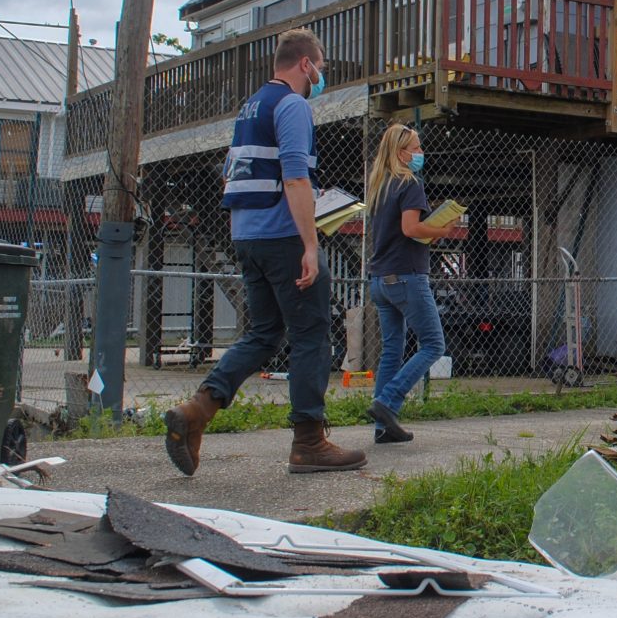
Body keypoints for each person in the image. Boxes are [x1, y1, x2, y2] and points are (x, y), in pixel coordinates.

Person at [163, 29, 365, 476]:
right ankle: (309, 442)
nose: (322, 76)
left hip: (247, 235)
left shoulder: (251, 106)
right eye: (322, 67)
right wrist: (310, 244)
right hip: (283, 237)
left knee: (265, 333)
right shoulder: (292, 105)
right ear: (305, 64)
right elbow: (294, 177)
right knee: (312, 335)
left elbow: (241, 174)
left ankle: (197, 410)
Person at [363, 123, 458, 444]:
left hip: (380, 279)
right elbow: (411, 229)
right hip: (407, 276)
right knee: (433, 344)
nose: (420, 153)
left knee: (392, 350)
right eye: (416, 148)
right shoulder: (409, 183)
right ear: (401, 153)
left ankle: (383, 428)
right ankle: (388, 401)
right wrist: (442, 230)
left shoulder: (379, 185)